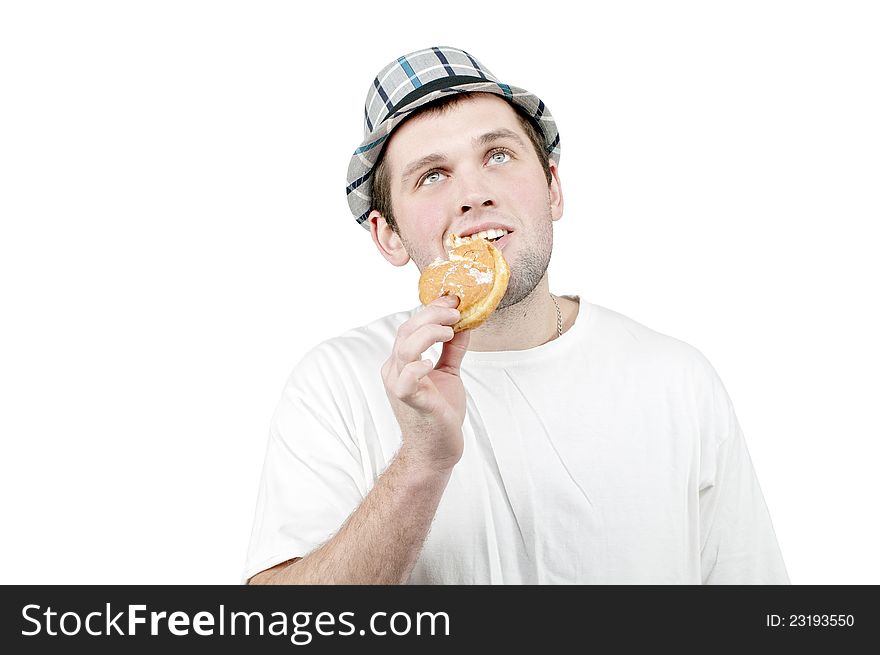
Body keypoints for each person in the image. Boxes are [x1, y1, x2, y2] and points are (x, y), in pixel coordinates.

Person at [243, 46, 789, 584]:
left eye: (498, 155)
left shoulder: (678, 379)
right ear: (388, 235)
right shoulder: (336, 382)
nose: (474, 194)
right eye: (431, 175)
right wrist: (420, 465)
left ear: (552, 187)